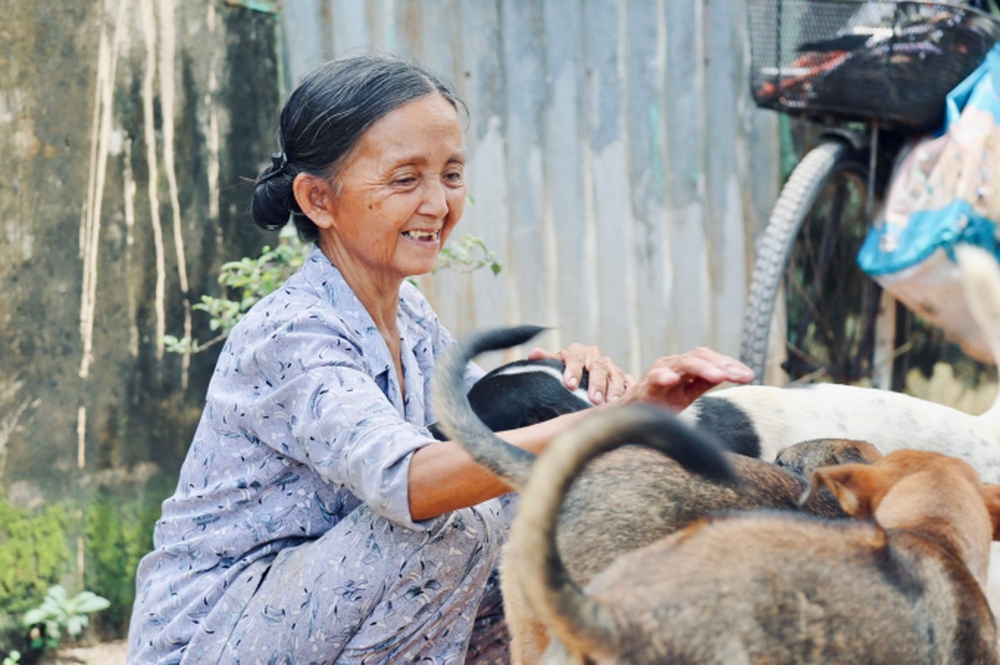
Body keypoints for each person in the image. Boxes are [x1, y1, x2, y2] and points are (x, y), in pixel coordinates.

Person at [127, 53, 755, 664]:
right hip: (211, 634)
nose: (438, 203)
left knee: (527, 502)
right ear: (319, 200)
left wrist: (570, 381)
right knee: (449, 523)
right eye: (406, 179)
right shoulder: (292, 332)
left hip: (315, 613)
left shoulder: (409, 314)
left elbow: (494, 427)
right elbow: (413, 482)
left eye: (451, 175)